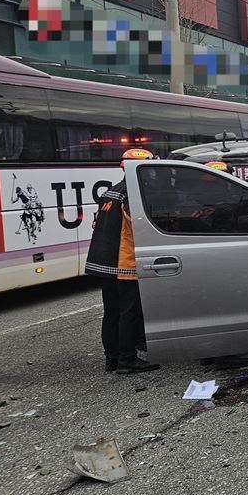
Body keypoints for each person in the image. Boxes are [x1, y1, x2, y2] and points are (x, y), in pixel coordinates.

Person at [85, 147, 159, 374]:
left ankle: (112, 358)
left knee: (112, 313)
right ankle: (128, 359)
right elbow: (139, 227)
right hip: (124, 263)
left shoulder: (112, 191)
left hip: (104, 262)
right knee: (130, 312)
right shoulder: (133, 193)